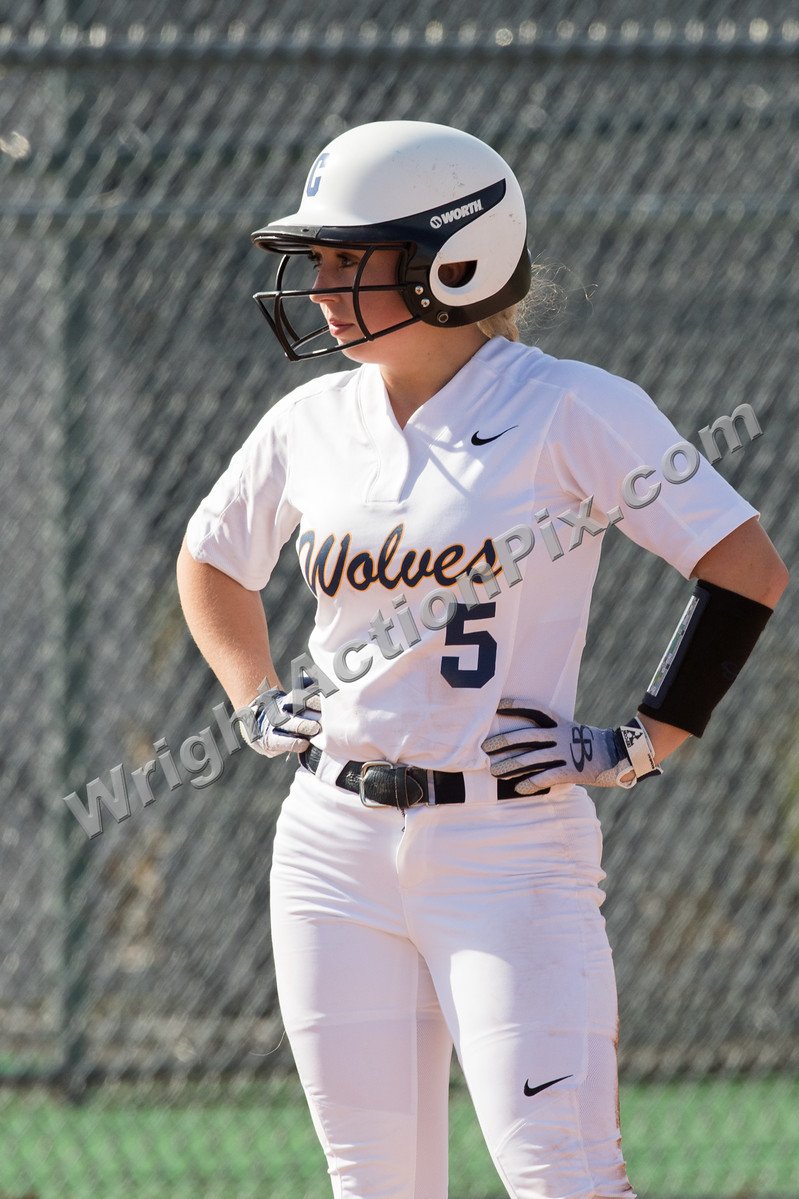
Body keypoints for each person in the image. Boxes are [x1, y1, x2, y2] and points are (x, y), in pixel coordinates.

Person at [176, 121, 787, 1199]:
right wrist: (252, 696)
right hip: (331, 841)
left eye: (346, 258)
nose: (317, 285)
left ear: (448, 261)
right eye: (315, 258)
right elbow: (211, 559)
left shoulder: (566, 404)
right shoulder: (310, 420)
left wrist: (644, 739)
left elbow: (743, 567)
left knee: (562, 1174)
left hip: (508, 844)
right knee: (373, 1181)